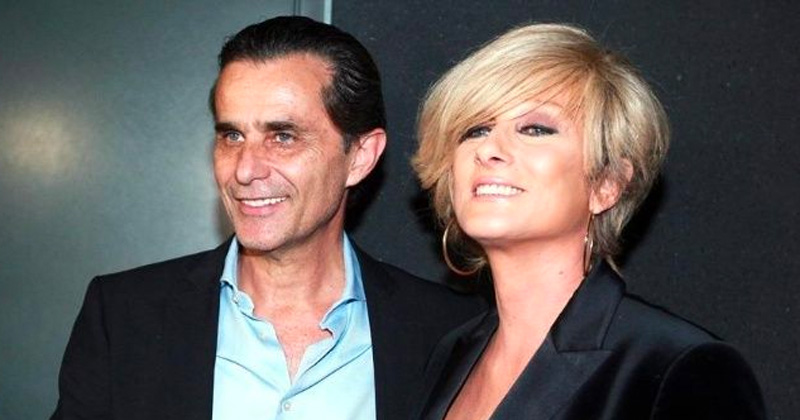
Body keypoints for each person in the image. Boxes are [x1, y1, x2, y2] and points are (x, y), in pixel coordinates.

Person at [52, 16, 481, 420]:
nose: (244, 169)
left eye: (283, 137)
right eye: (232, 135)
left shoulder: (446, 332)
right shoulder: (124, 317)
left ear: (360, 156)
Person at [412, 23, 766, 420]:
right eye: (476, 129)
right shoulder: (451, 354)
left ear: (606, 185)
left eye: (535, 129)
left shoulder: (677, 367)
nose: (490, 149)